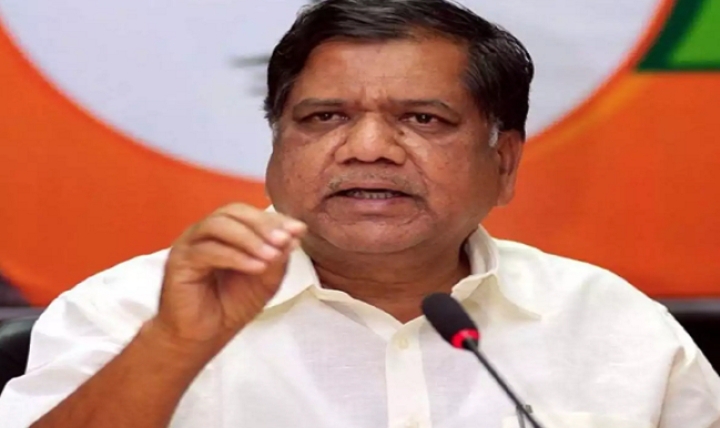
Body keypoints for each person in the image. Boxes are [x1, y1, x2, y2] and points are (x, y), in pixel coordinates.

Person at [1, 0, 719, 426]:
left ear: (503, 162)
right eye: (324, 117)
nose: (368, 148)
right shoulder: (130, 311)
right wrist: (172, 347)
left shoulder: (612, 327)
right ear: (277, 145)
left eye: (423, 119)